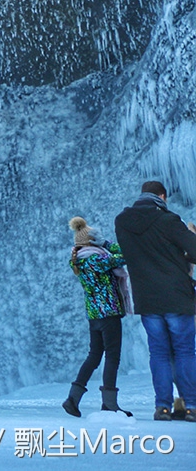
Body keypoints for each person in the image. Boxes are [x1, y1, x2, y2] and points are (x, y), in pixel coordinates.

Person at [114, 180, 196, 421]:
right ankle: (191, 405)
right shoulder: (168, 220)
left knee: (159, 353)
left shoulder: (122, 222)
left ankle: (162, 407)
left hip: (147, 299)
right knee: (184, 352)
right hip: (177, 297)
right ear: (162, 196)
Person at [62, 216, 131, 417]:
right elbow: (126, 254)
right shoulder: (98, 259)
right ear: (92, 242)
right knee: (112, 356)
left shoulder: (78, 260)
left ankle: (72, 399)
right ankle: (109, 404)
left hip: (94, 315)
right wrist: (107, 243)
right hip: (109, 313)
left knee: (94, 356)